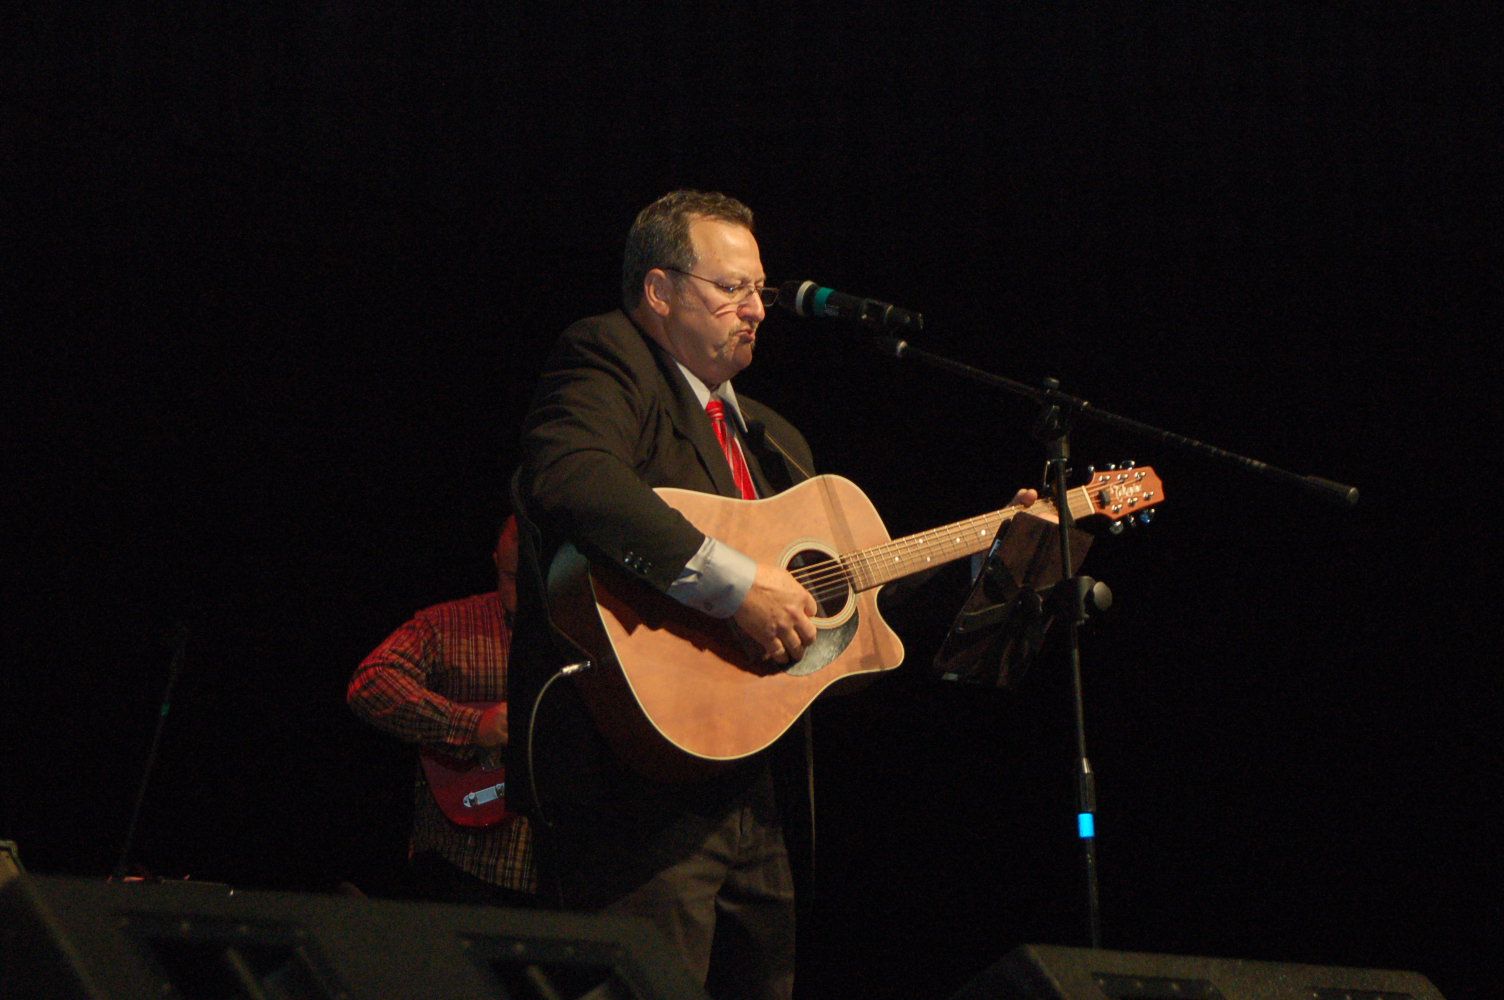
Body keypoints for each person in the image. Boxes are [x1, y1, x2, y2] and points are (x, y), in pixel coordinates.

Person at [507, 190, 1034, 998]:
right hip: (634, 785)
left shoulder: (776, 438)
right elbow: (571, 477)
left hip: (761, 791)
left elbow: (846, 605)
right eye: (732, 289)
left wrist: (992, 550)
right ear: (659, 290)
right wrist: (735, 589)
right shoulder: (608, 354)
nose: (757, 310)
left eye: (760, 290)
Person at [348, 517, 537, 908]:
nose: (522, 549)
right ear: (496, 556)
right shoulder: (448, 623)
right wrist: (472, 726)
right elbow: (370, 682)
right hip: (463, 868)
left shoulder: (589, 635)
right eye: (516, 536)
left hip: (561, 876)